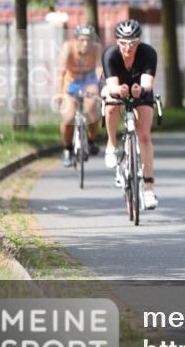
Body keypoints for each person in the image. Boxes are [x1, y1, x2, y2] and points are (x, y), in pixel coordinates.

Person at [102, 19, 160, 210]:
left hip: (139, 88)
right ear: (116, 41)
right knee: (111, 105)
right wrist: (118, 90)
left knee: (144, 136)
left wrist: (139, 90)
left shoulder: (148, 53)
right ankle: (111, 143)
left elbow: (147, 84)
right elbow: (111, 86)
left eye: (133, 43)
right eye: (123, 43)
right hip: (117, 86)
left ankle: (148, 189)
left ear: (139, 41)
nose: (128, 47)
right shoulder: (110, 54)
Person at [54, 24, 103, 167]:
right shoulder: (68, 47)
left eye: (89, 40)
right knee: (68, 117)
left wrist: (100, 88)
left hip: (89, 82)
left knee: (92, 107)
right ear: (76, 40)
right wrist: (59, 93)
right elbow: (61, 71)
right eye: (82, 40)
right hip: (71, 84)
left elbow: (99, 68)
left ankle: (92, 140)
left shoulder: (96, 48)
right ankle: (68, 149)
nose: (86, 43)